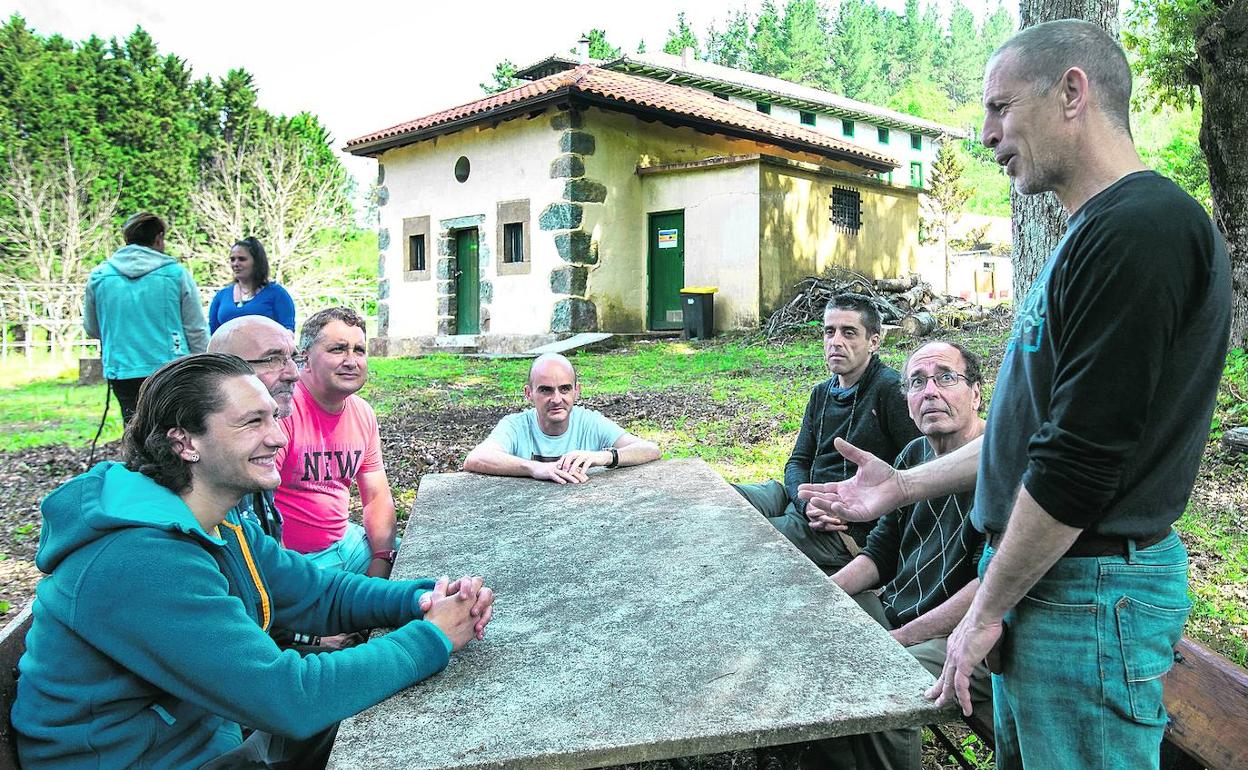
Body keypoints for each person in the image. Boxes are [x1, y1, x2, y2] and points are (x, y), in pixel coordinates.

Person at [801, 20, 1231, 770]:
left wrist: (984, 610)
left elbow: (1077, 464)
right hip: (1057, 585)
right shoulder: (1091, 233)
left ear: (1072, 91)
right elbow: (1029, 439)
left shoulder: (1142, 229)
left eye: (1001, 108)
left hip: (1090, 595)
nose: (987, 133)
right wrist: (903, 486)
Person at [11, 353, 494, 770]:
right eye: (252, 422)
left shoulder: (214, 520)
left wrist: (426, 597)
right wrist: (431, 637)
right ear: (185, 443)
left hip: (202, 738)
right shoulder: (140, 561)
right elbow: (290, 698)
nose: (279, 438)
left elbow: (318, 593)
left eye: (274, 418)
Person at [792, 341, 990, 770]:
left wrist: (895, 643)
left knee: (881, 684)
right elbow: (880, 552)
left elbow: (987, 587)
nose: (930, 391)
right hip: (897, 610)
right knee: (808, 643)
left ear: (976, 393)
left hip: (961, 634)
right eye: (917, 382)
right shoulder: (913, 455)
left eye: (946, 377)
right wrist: (820, 598)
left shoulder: (998, 462)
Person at [732, 294, 918, 571]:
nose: (836, 342)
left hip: (845, 528)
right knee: (721, 501)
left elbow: (915, 474)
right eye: (829, 332)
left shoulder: (890, 391)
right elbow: (798, 461)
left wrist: (852, 521)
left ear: (874, 342)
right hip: (803, 501)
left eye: (849, 332)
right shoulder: (821, 393)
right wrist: (805, 502)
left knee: (747, 539)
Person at [275, 307, 399, 578]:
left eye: (359, 350)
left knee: (425, 566)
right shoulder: (283, 411)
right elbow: (258, 506)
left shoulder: (362, 412)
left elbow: (376, 496)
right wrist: (285, 580)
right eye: (338, 349)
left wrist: (382, 560)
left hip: (348, 544)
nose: (351, 361)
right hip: (299, 563)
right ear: (304, 359)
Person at [83, 212, 210, 422]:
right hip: (170, 368)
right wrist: (203, 366)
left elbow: (91, 328)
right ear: (159, 238)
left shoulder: (100, 276)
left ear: (126, 238)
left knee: (134, 427)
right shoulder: (175, 274)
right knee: (172, 427)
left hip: (122, 368)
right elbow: (195, 327)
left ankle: (135, 456)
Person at [463, 353, 660, 484]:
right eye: (546, 390)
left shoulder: (590, 422)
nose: (557, 399)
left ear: (577, 391)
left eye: (565, 389)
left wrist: (602, 457)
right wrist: (535, 468)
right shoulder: (515, 425)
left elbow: (650, 449)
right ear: (528, 393)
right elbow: (475, 458)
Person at [209, 314, 302, 540]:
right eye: (273, 359)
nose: (294, 374)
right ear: (223, 370)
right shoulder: (212, 460)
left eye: (294, 358)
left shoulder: (261, 441)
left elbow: (272, 559)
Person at [207, 237, 297, 333]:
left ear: (256, 262)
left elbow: (287, 333)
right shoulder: (221, 296)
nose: (236, 264)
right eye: (232, 259)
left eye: (242, 259)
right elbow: (212, 334)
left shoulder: (277, 294)